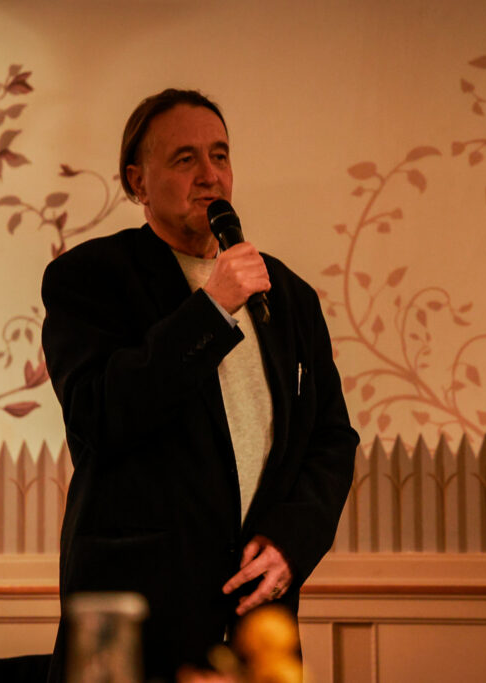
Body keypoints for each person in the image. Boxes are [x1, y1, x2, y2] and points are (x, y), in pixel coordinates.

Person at [41, 88, 358, 683]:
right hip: (138, 621)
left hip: (257, 622)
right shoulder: (87, 279)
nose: (210, 175)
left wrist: (292, 541)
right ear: (137, 181)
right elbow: (98, 417)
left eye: (220, 155)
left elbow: (331, 439)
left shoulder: (288, 295)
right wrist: (211, 310)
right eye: (185, 159)